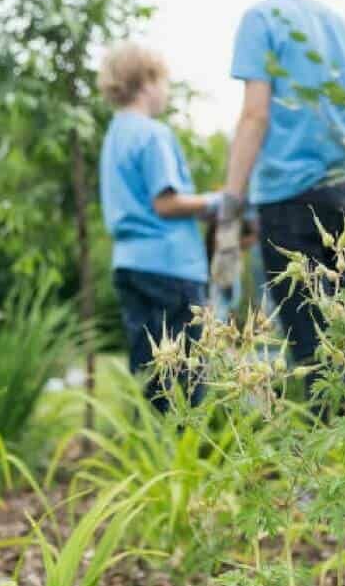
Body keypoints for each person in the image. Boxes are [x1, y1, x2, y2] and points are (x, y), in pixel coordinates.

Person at [220, 0, 345, 397]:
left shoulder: (261, 20)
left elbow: (255, 114)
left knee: (308, 346)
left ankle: (323, 459)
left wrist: (232, 199)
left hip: (287, 201)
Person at [97, 42, 219, 412]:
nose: (166, 91)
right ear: (147, 82)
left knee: (150, 376)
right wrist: (217, 202)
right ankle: (183, 464)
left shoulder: (115, 134)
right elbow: (166, 203)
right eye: (164, 82)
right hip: (170, 267)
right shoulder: (153, 135)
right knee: (185, 380)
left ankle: (151, 460)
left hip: (130, 265)